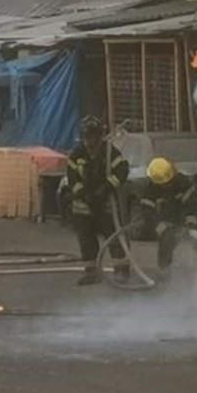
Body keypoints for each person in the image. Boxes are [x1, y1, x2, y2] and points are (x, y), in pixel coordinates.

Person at [66, 116, 130, 286]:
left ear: (100, 136)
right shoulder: (76, 154)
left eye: (93, 136)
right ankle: (91, 272)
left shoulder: (110, 152)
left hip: (106, 205)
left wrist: (106, 188)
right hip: (83, 207)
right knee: (87, 241)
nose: (90, 141)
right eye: (87, 137)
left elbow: (122, 171)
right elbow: (72, 179)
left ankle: (122, 271)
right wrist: (84, 194)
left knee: (115, 238)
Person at [136, 157, 197, 276]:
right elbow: (147, 211)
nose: (166, 186)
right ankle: (165, 270)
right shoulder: (151, 189)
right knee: (167, 238)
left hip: (182, 218)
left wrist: (190, 223)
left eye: (168, 183)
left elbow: (191, 205)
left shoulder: (184, 184)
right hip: (163, 222)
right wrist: (158, 225)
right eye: (163, 184)